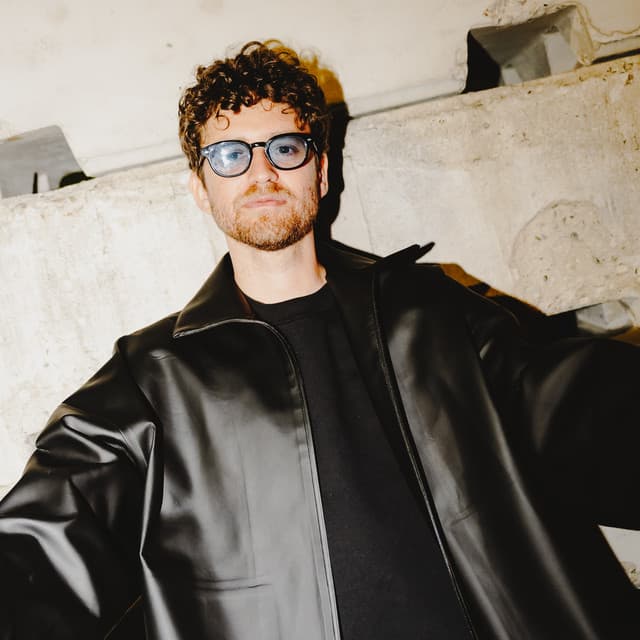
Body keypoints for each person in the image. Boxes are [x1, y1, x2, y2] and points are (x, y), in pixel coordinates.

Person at [0, 41, 638, 640]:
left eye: (285, 148)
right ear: (200, 188)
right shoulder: (152, 379)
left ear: (321, 171)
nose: (261, 171)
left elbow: (575, 408)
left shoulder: (429, 311)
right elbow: (48, 543)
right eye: (230, 155)